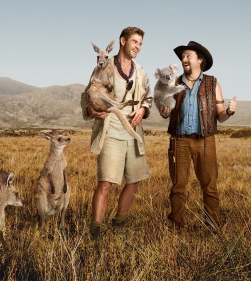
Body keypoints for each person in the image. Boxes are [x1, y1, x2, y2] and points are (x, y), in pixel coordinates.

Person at [80, 26, 153, 239]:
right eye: (134, 42)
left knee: (134, 180)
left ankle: (119, 225)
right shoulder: (104, 67)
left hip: (134, 132)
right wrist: (91, 110)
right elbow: (88, 95)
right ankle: (95, 231)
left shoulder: (140, 72)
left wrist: (143, 109)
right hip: (111, 129)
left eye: (140, 43)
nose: (138, 47)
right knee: (106, 182)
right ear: (122, 41)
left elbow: (148, 97)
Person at [159, 41, 237, 230]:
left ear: (199, 60)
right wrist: (164, 111)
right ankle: (176, 226)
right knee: (178, 186)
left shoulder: (212, 83)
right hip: (179, 141)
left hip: (205, 141)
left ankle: (213, 226)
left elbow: (221, 116)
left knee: (209, 186)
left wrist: (229, 111)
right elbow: (165, 112)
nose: (184, 59)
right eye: (183, 56)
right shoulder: (174, 83)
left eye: (188, 56)